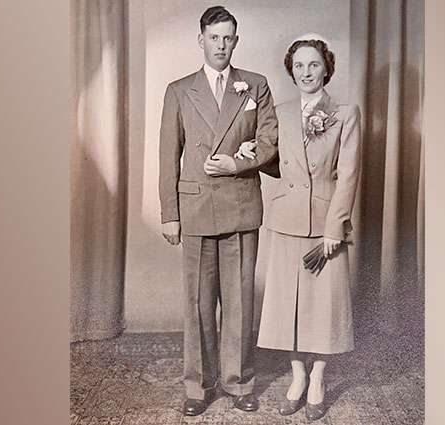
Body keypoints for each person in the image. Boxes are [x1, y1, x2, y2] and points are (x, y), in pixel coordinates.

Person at [157, 5, 278, 417]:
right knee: (197, 302)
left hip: (241, 206)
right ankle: (198, 386)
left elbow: (270, 143)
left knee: (240, 301)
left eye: (228, 38)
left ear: (236, 41)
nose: (221, 46)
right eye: (214, 38)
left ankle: (238, 382)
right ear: (201, 40)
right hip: (195, 207)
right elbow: (166, 157)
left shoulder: (255, 86)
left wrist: (237, 164)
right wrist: (169, 214)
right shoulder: (179, 90)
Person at [237, 39, 361, 421]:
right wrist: (246, 153)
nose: (306, 72)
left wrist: (334, 227)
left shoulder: (345, 113)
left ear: (326, 68)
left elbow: (349, 175)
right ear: (292, 71)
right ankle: (297, 377)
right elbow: (273, 158)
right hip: (286, 220)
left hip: (326, 225)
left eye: (313, 64)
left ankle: (319, 379)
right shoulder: (281, 111)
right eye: (299, 66)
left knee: (323, 309)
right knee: (289, 306)